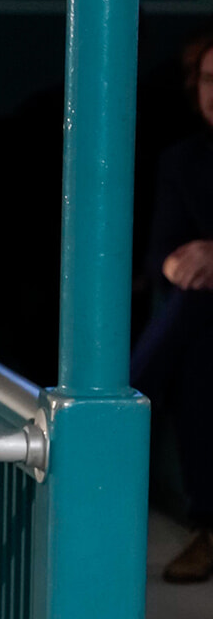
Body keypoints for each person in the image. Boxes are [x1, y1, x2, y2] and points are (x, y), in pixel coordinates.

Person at [132, 30, 213, 583]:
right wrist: (180, 266)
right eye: (208, 80)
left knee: (191, 318)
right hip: (204, 311)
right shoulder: (183, 160)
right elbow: (160, 251)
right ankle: (207, 525)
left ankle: (127, 394)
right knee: (195, 327)